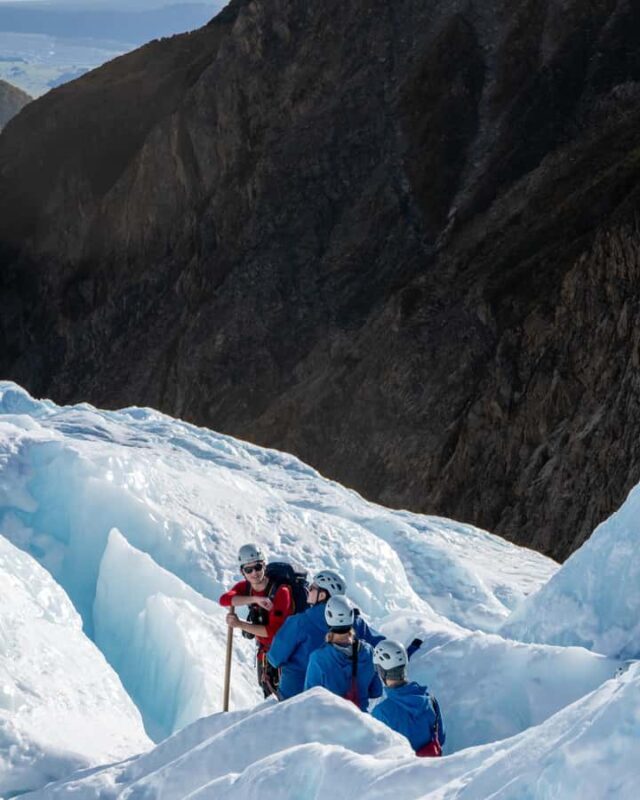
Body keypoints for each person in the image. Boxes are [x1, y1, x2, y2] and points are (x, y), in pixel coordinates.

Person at [219, 543, 294, 697]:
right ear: (242, 571)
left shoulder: (281, 592)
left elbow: (272, 632)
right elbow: (224, 600)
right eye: (248, 569)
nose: (254, 573)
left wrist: (240, 624)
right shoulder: (246, 588)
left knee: (284, 700)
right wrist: (254, 599)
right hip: (264, 655)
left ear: (264, 566)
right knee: (268, 695)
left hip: (285, 656)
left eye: (258, 567)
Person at [304, 596, 383, 711]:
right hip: (362, 721)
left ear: (327, 619)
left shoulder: (318, 658)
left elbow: (309, 700)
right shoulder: (368, 651)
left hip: (331, 723)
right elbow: (376, 691)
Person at [371, 639, 445, 757]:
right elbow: (440, 738)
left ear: (381, 671)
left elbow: (376, 754)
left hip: (403, 773)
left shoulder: (381, 712)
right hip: (434, 769)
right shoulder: (430, 701)